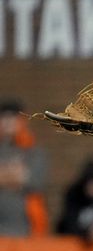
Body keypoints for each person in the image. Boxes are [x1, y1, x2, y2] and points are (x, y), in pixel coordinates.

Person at [0, 98, 48, 236]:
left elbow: (35, 182)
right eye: (4, 117)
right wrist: (16, 173)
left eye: (13, 117)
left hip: (25, 227)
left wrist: (4, 174)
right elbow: (23, 177)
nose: (8, 121)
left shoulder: (34, 152)